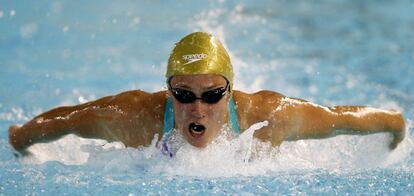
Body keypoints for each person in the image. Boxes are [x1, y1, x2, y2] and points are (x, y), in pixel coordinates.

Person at [8, 32, 405, 155]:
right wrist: (19, 139)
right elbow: (68, 120)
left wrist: (395, 127)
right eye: (183, 95)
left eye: (213, 95)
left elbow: (341, 118)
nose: (197, 107)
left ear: (230, 94)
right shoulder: (134, 118)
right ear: (168, 93)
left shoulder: (269, 117)